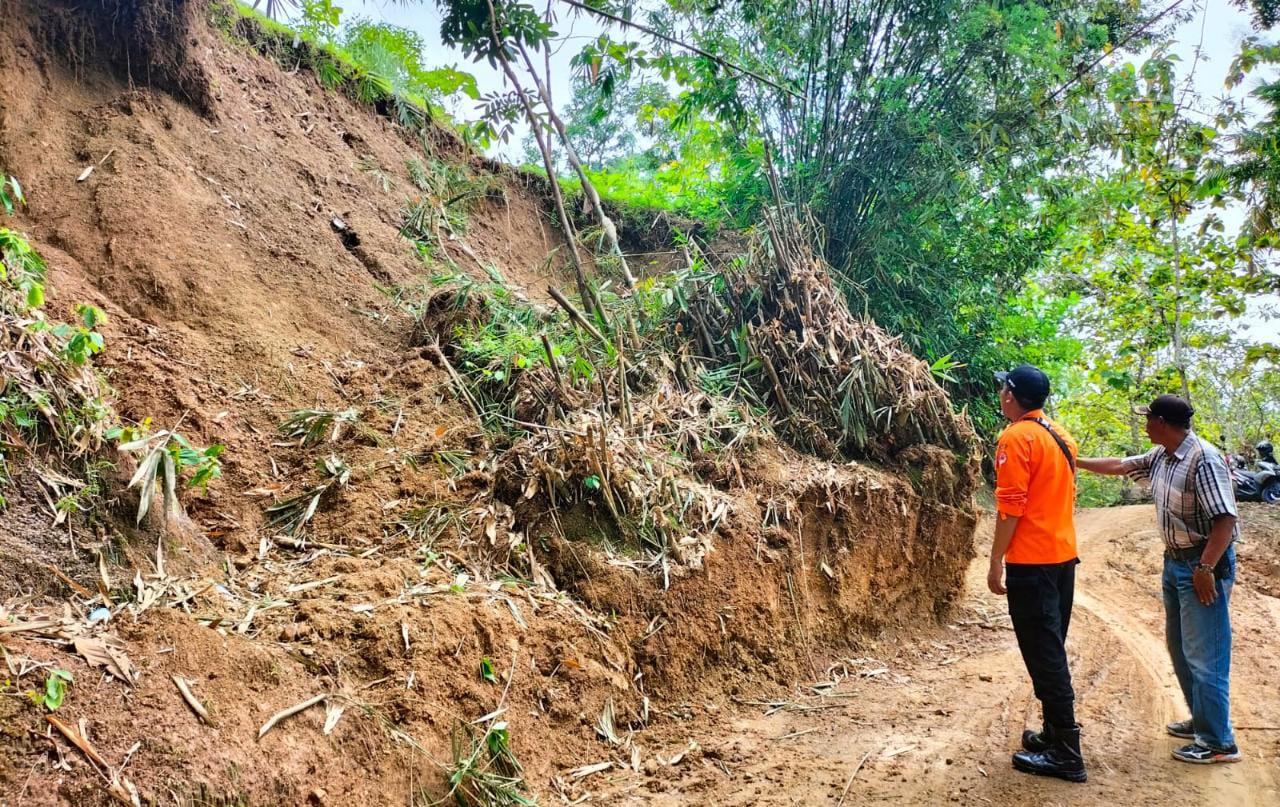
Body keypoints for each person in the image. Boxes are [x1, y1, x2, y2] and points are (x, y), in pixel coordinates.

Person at [1077, 394, 1241, 764]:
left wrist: (1205, 569)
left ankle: (1218, 743)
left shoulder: (1203, 459)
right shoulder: (1163, 456)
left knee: (1205, 655)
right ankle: (1202, 722)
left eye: (1148, 419)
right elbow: (1120, 465)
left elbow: (1226, 520)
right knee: (1181, 648)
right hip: (1176, 563)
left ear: (1163, 423)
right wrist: (1074, 460)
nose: (1145, 424)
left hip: (1202, 565)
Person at [988, 364, 1086, 783]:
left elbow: (1011, 508)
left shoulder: (1015, 438)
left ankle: (1067, 751)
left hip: (1032, 564)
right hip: (1063, 558)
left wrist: (995, 560)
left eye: (1002, 389)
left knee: (1045, 654)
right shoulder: (1060, 436)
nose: (1000, 395)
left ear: (1010, 395)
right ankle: (1052, 733)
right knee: (1051, 646)